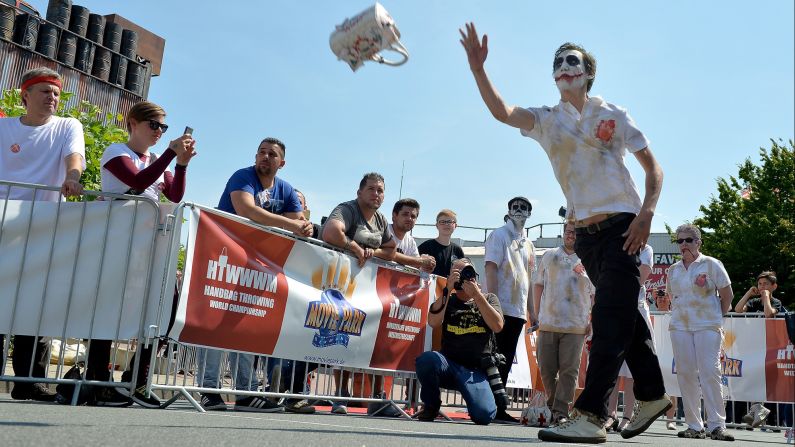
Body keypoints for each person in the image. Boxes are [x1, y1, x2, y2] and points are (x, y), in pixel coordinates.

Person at [460, 24, 669, 443]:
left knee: (609, 317)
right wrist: (478, 68)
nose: (564, 66)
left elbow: (654, 169)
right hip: (587, 236)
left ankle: (591, 415)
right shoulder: (547, 120)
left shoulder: (613, 114)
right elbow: (502, 111)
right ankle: (653, 395)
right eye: (558, 62)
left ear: (588, 74)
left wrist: (646, 214)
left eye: (572, 61)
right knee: (624, 317)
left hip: (624, 227)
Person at [85, 100, 197, 407]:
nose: (160, 132)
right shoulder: (116, 151)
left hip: (148, 247)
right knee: (108, 309)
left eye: (164, 127)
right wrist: (170, 155)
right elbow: (137, 180)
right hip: (117, 242)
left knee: (164, 308)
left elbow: (174, 195)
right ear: (133, 123)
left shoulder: (155, 158)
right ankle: (98, 381)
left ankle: (136, 378)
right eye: (154, 125)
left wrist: (181, 164)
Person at [198, 137, 312, 413]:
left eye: (272, 154)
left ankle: (245, 391)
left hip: (255, 267)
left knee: (246, 325)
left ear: (281, 163)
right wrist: (292, 224)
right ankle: (208, 389)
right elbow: (246, 210)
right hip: (223, 258)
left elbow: (300, 221)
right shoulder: (243, 176)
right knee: (214, 325)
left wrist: (301, 225)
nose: (265, 157)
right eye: (261, 152)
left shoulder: (284, 188)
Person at [0, 67, 85, 402]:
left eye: (56, 93)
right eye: (45, 92)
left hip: (43, 227)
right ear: (25, 95)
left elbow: (74, 157)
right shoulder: (4, 127)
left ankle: (30, 380)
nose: (53, 98)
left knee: (36, 304)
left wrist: (74, 177)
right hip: (4, 222)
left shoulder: (68, 125)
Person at [321, 172, 398, 416]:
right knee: (340, 339)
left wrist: (373, 252)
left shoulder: (381, 220)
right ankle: (340, 395)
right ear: (360, 192)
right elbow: (331, 233)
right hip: (339, 288)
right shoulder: (347, 209)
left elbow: (391, 250)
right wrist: (354, 247)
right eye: (372, 189)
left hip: (367, 292)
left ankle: (378, 398)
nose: (376, 194)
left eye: (380, 190)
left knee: (373, 341)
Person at [414, 258, 504, 425]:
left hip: (475, 371)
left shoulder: (489, 299)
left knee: (483, 416)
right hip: (448, 364)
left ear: (475, 277)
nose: (464, 277)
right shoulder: (448, 299)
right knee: (426, 360)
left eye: (468, 273)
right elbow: (433, 322)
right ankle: (431, 405)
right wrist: (447, 290)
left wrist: (477, 295)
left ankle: (475, 398)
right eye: (458, 273)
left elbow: (497, 326)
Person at [666, 224, 735, 441]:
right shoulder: (673, 269)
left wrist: (716, 318)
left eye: (688, 240)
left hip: (708, 325)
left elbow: (728, 295)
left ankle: (717, 425)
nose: (684, 245)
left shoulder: (711, 264)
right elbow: (671, 297)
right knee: (686, 374)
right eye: (680, 241)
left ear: (698, 242)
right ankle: (694, 426)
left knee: (710, 372)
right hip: (680, 326)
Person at [533, 223, 595, 426]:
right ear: (563, 233)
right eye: (569, 231)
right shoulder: (549, 255)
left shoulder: (589, 258)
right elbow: (539, 283)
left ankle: (561, 410)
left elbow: (595, 294)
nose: (572, 235)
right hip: (549, 321)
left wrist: (591, 321)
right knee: (546, 369)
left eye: (576, 232)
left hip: (576, 324)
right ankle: (552, 406)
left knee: (569, 370)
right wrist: (536, 314)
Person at [484, 196, 536, 423]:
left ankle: (498, 407)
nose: (519, 210)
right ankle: (486, 405)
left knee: (504, 359)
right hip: (500, 308)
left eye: (523, 208)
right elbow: (490, 267)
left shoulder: (529, 244)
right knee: (492, 358)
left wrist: (532, 311)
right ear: (508, 210)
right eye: (515, 207)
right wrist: (493, 302)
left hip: (517, 310)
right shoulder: (499, 235)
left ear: (529, 214)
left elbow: (530, 279)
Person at [607, 244, 656, 430]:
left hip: (636, 309)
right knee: (613, 366)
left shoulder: (646, 250)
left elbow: (639, 279)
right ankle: (610, 413)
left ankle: (627, 415)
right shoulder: (615, 244)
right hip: (614, 308)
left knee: (631, 371)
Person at [733, 271, 785, 428]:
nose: (762, 287)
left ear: (774, 286)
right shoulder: (754, 302)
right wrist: (749, 293)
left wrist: (767, 298)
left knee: (761, 380)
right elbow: (737, 309)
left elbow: (769, 314)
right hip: (752, 347)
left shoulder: (775, 301)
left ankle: (758, 410)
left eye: (766, 284)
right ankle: (757, 409)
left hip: (769, 347)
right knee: (751, 378)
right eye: (760, 284)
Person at [388, 198, 435, 273]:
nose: (409, 218)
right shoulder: (384, 231)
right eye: (405, 214)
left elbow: (416, 266)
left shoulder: (410, 241)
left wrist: (426, 267)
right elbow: (384, 254)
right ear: (394, 216)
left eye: (413, 216)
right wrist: (420, 261)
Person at [418, 209, 465, 277]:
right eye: (442, 222)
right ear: (437, 225)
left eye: (449, 222)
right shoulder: (426, 246)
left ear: (455, 226)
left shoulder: (458, 250)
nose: (446, 224)